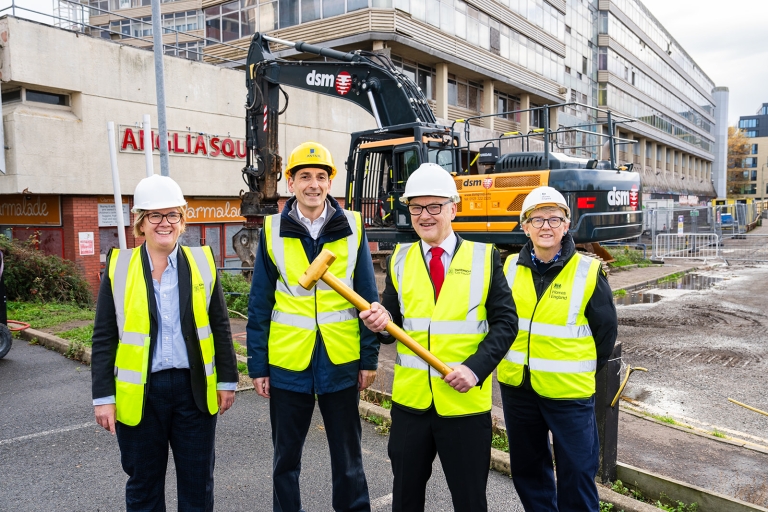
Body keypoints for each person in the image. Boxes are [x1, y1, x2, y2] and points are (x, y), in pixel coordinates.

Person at [360, 163, 517, 512]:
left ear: (453, 209)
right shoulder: (399, 259)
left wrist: (475, 370)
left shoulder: (484, 257)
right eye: (416, 207)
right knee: (405, 497)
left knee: (470, 500)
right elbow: (391, 326)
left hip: (464, 405)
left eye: (434, 206)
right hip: (410, 405)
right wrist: (378, 323)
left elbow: (506, 324)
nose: (424, 215)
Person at [91, 174, 238, 511]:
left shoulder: (202, 262)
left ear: (182, 220)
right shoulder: (120, 266)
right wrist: (103, 397)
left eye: (172, 215)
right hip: (141, 394)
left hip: (194, 391)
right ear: (140, 222)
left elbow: (219, 325)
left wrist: (228, 380)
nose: (164, 223)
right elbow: (104, 338)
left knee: (197, 486)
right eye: (154, 215)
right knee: (143, 487)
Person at [246, 141, 379, 512]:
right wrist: (258, 366)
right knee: (285, 461)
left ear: (329, 182)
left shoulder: (352, 226)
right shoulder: (272, 230)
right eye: (304, 176)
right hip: (289, 363)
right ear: (291, 183)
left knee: (349, 459)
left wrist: (368, 359)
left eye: (321, 176)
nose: (313, 184)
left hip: (340, 359)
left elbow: (368, 298)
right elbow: (260, 304)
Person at [498, 186, 618, 512]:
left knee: (577, 472)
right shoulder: (507, 268)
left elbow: (605, 335)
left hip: (569, 394)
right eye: (537, 219)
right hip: (519, 390)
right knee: (528, 470)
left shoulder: (589, 272)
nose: (546, 226)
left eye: (554, 218)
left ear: (567, 225)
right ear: (525, 226)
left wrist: (578, 370)